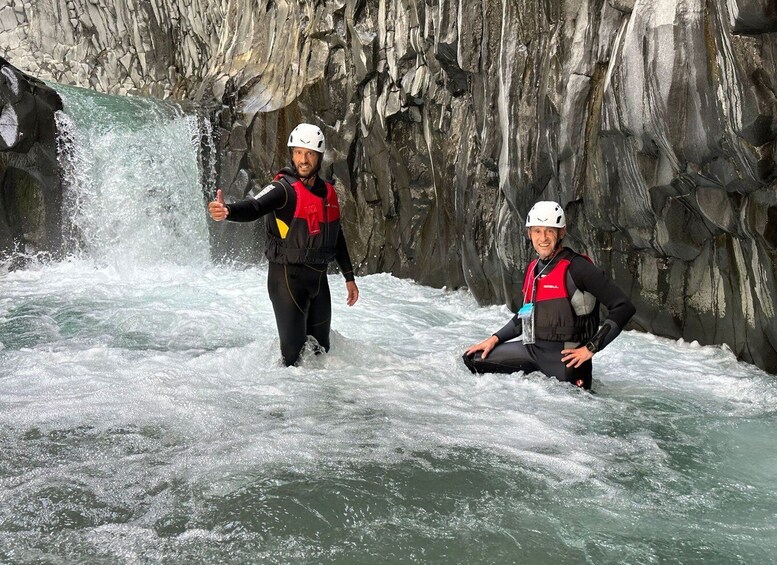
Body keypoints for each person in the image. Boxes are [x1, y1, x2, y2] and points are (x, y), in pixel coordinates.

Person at [208, 123, 359, 366]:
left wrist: (349, 277)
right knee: (292, 359)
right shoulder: (283, 189)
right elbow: (254, 206)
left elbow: (336, 236)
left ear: (319, 157)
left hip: (319, 282)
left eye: (309, 153)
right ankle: (281, 399)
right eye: (298, 152)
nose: (303, 159)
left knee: (322, 353)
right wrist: (227, 211)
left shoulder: (329, 194)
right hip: (287, 281)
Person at [463, 201, 635, 389]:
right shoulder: (533, 268)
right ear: (529, 233)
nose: (543, 237)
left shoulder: (579, 268)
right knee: (473, 360)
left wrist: (591, 348)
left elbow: (623, 307)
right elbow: (525, 316)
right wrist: (494, 338)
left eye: (549, 231)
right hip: (531, 350)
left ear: (561, 233)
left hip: (567, 361)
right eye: (537, 231)